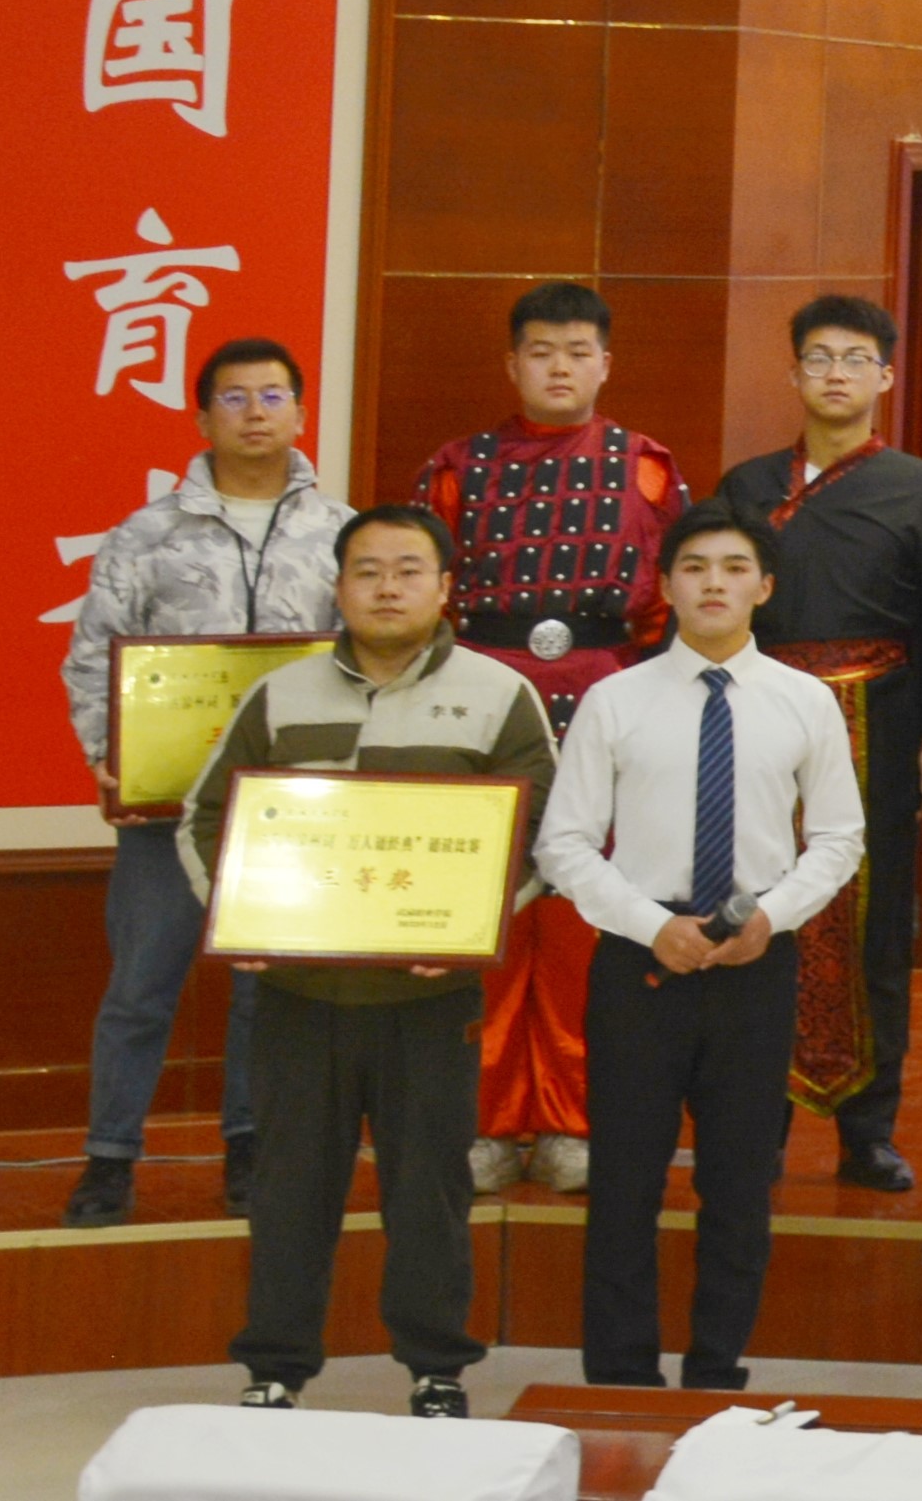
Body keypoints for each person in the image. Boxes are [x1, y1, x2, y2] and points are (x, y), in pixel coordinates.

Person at [194, 503, 555, 1416]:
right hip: (297, 995)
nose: (387, 587)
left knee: (429, 1187)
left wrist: (469, 928)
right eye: (367, 570)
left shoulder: (498, 694)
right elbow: (206, 817)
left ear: (445, 586)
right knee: (289, 1187)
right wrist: (239, 919)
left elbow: (545, 832)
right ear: (339, 585)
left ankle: (437, 1368)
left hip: (429, 998)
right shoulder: (280, 695)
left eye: (407, 569)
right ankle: (274, 1367)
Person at [540, 512, 865, 1392]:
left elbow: (839, 836)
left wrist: (774, 915)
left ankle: (717, 1370)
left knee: (739, 1182)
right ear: (666, 585)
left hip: (755, 958)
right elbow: (564, 843)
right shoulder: (616, 698)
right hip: (640, 961)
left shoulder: (805, 700)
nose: (713, 582)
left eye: (733, 566)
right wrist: (652, 924)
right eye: (693, 566)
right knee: (625, 1181)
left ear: (765, 585)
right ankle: (620, 1376)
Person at [414, 280, 688, 1194]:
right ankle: (486, 1121)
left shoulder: (646, 465)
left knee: (582, 927)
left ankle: (573, 1120)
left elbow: (671, 609)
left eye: (577, 351)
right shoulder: (456, 466)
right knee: (486, 919)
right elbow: (424, 602)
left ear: (605, 363)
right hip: (481, 708)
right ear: (512, 363)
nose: (559, 367)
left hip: (606, 705)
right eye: (541, 351)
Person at [65, 334, 344, 1229]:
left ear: (300, 412)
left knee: (267, 991)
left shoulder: (341, 534)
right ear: (200, 417)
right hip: (168, 805)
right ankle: (109, 1158)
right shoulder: (146, 534)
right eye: (234, 397)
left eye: (272, 395)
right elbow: (94, 656)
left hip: (288, 810)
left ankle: (251, 1147)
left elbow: (365, 661)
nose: (255, 412)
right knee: (141, 985)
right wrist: (108, 756)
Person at [699, 294, 922, 1192]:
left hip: (877, 724)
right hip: (759, 723)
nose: (837, 374)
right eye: (819, 357)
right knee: (755, 906)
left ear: (884, 375)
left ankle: (868, 1130)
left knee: (875, 922)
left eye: (856, 358)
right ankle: (756, 1125)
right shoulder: (747, 485)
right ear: (794, 372)